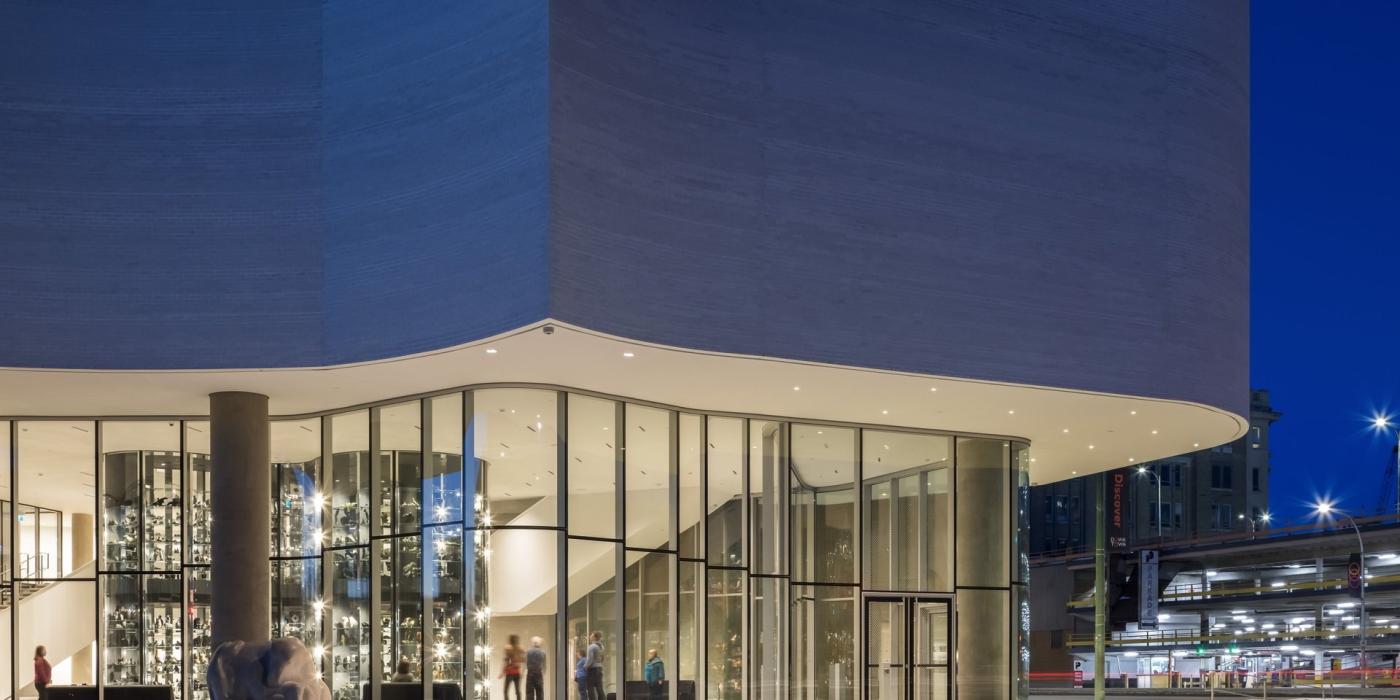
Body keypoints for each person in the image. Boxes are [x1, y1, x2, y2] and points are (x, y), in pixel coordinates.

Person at [500, 634, 524, 700]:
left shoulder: (508, 648)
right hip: (516, 672)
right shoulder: (519, 649)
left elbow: (506, 661)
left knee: (506, 691)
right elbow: (523, 660)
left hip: (509, 672)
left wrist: (502, 672)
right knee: (517, 691)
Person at [583, 632, 605, 700]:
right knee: (599, 688)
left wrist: (585, 666)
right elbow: (602, 658)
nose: (590, 637)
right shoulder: (601, 646)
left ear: (595, 637)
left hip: (592, 670)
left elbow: (590, 659)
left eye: (591, 636)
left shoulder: (592, 647)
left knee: (590, 688)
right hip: (599, 668)